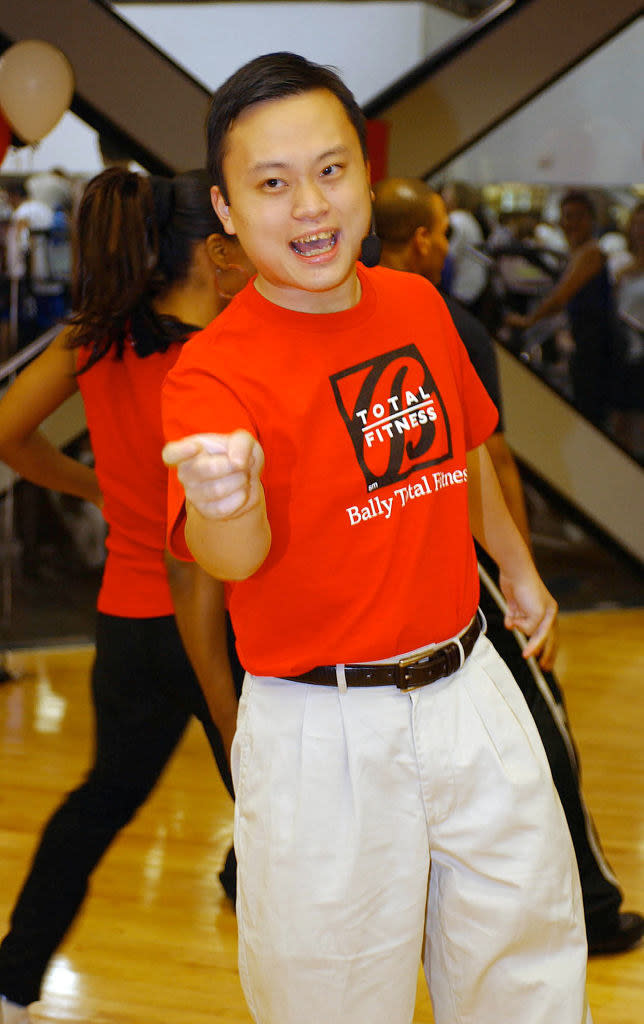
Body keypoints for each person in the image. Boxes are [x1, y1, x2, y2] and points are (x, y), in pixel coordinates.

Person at [162, 52, 590, 1024]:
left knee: (525, 980)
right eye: (270, 183)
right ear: (227, 210)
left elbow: (462, 448)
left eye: (329, 169)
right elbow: (227, 560)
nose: (307, 204)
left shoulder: (414, 304)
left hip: (471, 688)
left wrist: (517, 576)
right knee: (330, 1002)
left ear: (363, 173)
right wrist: (227, 496)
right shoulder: (211, 374)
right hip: (325, 730)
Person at [0, 167, 251, 1024]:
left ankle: (11, 979)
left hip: (130, 626)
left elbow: (8, 434)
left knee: (104, 797)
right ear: (211, 252)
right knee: (279, 810)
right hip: (215, 627)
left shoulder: (93, 337)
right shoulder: (223, 351)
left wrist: (99, 487)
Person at [373, 174, 644, 957]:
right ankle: (592, 906)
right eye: (442, 233)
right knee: (541, 714)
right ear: (424, 238)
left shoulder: (360, 313)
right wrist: (521, 578)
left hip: (390, 568)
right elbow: (488, 458)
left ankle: (243, 864)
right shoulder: (441, 320)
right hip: (450, 560)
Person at [506, 189, 620, 429]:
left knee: (591, 415)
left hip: (597, 349)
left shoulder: (591, 253)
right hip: (586, 345)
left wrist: (528, 321)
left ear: (591, 220)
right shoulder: (578, 252)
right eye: (567, 217)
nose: (572, 223)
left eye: (578, 216)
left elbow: (559, 298)